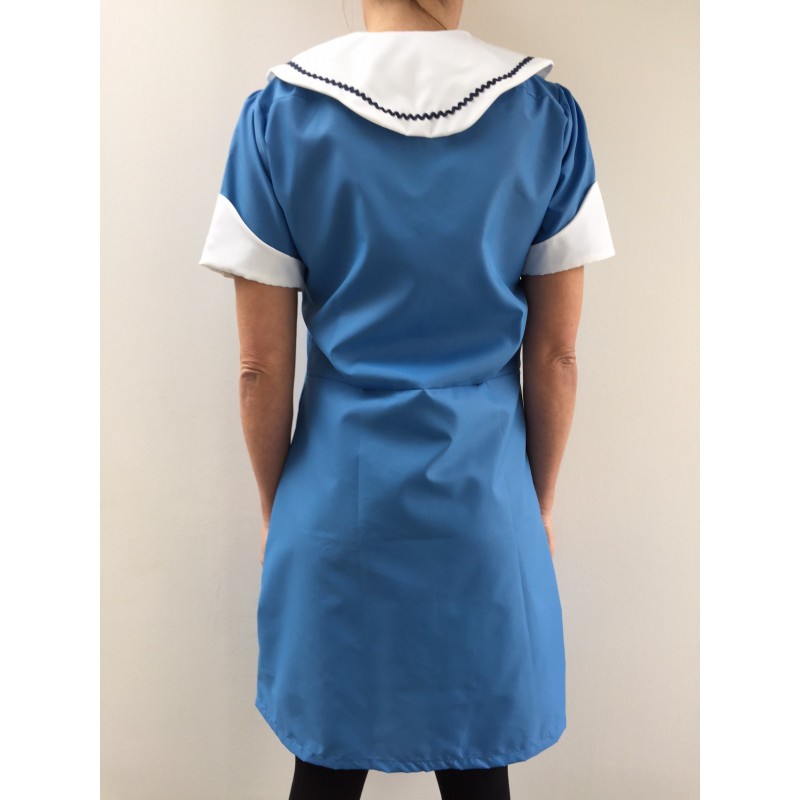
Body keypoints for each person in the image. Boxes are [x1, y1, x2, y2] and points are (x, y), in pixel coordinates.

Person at [198, 0, 615, 797]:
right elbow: (556, 355)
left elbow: (260, 366)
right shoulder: (545, 118)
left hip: (334, 500)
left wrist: (277, 509)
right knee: (478, 764)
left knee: (325, 765)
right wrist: (539, 503)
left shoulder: (278, 117)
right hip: (485, 498)